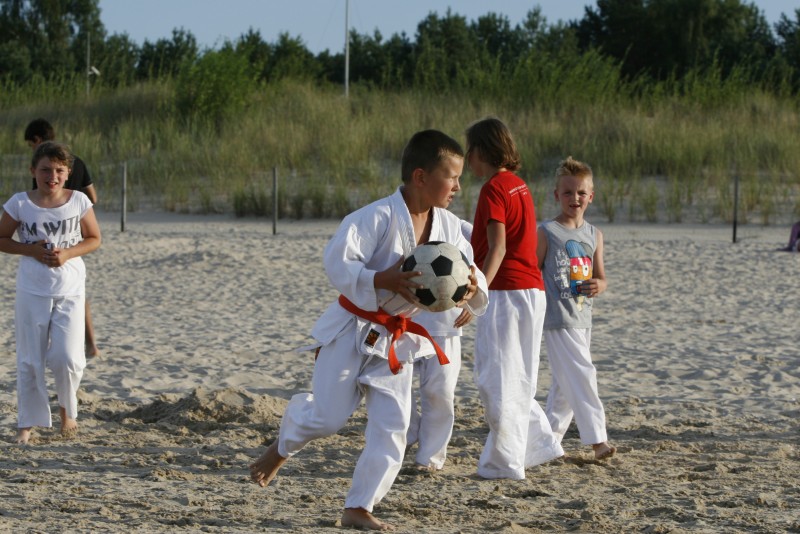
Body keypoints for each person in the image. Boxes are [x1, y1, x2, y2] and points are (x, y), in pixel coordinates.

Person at [249, 129, 489, 530]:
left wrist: (470, 291)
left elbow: (471, 273)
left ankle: (359, 506)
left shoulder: (450, 227)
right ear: (420, 177)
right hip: (352, 328)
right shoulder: (374, 217)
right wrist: (380, 279)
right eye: (451, 177)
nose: (458, 186)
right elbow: (337, 262)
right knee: (328, 419)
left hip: (397, 339)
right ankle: (284, 442)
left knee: (393, 426)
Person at [467, 117, 563, 480]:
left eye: (470, 151)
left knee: (497, 378)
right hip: (531, 291)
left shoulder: (494, 188)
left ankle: (504, 464)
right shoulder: (519, 185)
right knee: (518, 376)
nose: (468, 159)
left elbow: (498, 247)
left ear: (482, 151)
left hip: (506, 292)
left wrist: (478, 290)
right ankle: (539, 446)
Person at [0, 142, 102, 444]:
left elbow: (94, 238)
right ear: (33, 170)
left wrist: (67, 253)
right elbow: (2, 238)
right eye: (45, 170)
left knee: (68, 358)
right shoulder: (19, 203)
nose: (52, 176)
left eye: (59, 170)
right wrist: (30, 250)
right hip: (32, 288)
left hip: (70, 287)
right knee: (30, 359)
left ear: (68, 172)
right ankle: (26, 425)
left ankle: (67, 413)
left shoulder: (79, 200)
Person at [537, 156, 616, 461]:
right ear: (557, 195)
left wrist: (599, 285)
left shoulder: (594, 234)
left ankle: (547, 443)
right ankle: (598, 440)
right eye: (568, 192)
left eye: (581, 193)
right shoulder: (547, 232)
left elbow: (602, 277)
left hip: (583, 317)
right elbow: (532, 272)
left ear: (591, 196)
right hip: (558, 318)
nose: (575, 198)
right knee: (583, 374)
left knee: (564, 386)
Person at [406, 219, 480, 471]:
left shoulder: (457, 226)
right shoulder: (394, 219)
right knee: (395, 388)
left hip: (447, 324)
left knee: (439, 392)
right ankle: (408, 432)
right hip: (403, 321)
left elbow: (479, 263)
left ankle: (430, 457)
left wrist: (475, 299)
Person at [24, 119, 100, 357]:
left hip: (53, 233)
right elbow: (93, 197)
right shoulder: (77, 161)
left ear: (37, 140)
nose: (53, 176)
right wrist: (79, 210)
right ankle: (91, 344)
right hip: (76, 233)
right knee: (76, 290)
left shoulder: (42, 167)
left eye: (30, 144)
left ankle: (57, 343)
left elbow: (39, 201)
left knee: (58, 291)